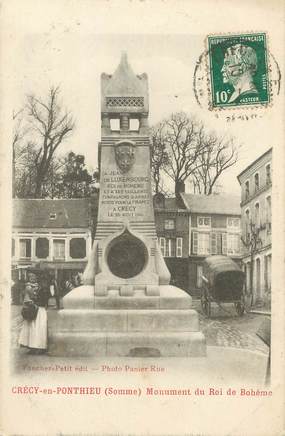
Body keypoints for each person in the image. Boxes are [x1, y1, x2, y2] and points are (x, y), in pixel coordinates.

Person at [19, 271, 49, 355]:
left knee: (38, 328)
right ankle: (33, 346)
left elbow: (43, 300)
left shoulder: (42, 288)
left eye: (35, 278)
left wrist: (35, 301)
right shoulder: (36, 287)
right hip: (38, 310)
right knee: (34, 328)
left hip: (40, 310)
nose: (35, 279)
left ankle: (39, 347)